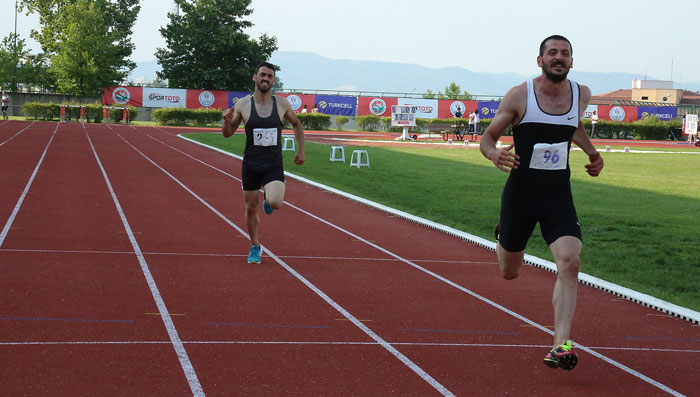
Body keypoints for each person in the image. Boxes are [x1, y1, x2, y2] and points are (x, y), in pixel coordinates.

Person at [479, 35, 604, 371]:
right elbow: (488, 137)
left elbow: (571, 125)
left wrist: (592, 152)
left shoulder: (581, 94)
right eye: (552, 53)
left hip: (557, 195)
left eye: (565, 53)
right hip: (520, 195)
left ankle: (560, 344)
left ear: (571, 61)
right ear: (540, 61)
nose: (558, 57)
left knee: (570, 262)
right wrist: (494, 154)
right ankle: (504, 233)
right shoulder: (520, 95)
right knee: (510, 272)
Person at [222, 62, 305, 264]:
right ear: (255, 78)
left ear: (273, 81)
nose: (265, 79)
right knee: (251, 208)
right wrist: (226, 120)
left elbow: (297, 124)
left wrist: (301, 149)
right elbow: (228, 134)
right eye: (262, 75)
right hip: (251, 164)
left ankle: (269, 198)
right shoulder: (243, 105)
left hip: (273, 163)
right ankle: (255, 245)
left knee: (275, 203)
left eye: (269, 76)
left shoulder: (282, 104)